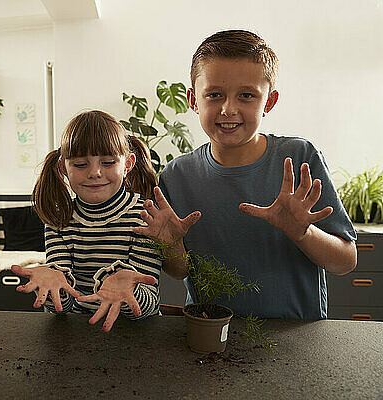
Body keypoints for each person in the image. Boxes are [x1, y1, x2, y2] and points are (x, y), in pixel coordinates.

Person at [134, 30, 357, 319]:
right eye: (214, 95)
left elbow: (345, 261)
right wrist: (171, 246)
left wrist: (302, 232)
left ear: (269, 102)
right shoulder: (177, 175)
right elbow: (179, 272)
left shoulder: (300, 158)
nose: (228, 109)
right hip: (209, 332)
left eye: (247, 95)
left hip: (297, 336)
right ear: (193, 100)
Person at [11, 110, 160, 332]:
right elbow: (62, 307)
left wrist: (128, 292)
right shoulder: (58, 218)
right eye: (81, 165)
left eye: (108, 162)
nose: (95, 172)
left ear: (128, 164)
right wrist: (52, 287)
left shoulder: (146, 216)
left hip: (137, 334)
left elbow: (148, 303)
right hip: (79, 332)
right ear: (63, 168)